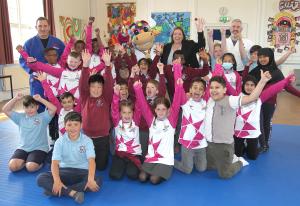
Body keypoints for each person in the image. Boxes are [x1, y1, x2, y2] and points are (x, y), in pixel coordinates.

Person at [204, 70, 271, 179]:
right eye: (211, 87)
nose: (214, 90)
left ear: (224, 89)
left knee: (224, 174)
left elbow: (251, 98)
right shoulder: (210, 101)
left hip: (224, 145)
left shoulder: (231, 100)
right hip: (210, 143)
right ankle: (228, 158)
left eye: (217, 87)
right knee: (209, 167)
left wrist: (262, 81)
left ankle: (239, 161)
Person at [36, 112, 102, 204]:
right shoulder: (60, 141)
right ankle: (72, 193)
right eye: (69, 125)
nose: (72, 128)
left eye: (76, 124)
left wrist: (90, 179)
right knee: (40, 178)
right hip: (64, 171)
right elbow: (54, 163)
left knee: (97, 181)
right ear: (65, 126)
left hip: (82, 172)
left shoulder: (87, 141)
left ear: (81, 125)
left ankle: (57, 190)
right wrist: (57, 180)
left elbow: (91, 161)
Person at [133, 75, 184, 185]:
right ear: (154, 110)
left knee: (153, 180)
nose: (161, 112)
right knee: (142, 177)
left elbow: (175, 104)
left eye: (163, 109)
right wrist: (138, 89)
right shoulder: (151, 121)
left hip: (165, 159)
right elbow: (142, 105)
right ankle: (151, 169)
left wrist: (179, 87)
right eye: (158, 109)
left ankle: (165, 169)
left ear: (167, 111)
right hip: (152, 157)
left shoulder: (171, 122)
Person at [234, 74, 295, 160]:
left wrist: (286, 81)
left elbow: (273, 89)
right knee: (237, 155)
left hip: (253, 133)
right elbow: (228, 87)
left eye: (252, 85)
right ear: (243, 85)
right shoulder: (237, 96)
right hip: (238, 132)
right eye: (247, 84)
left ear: (256, 87)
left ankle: (257, 147)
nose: (249, 87)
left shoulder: (259, 98)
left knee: (252, 156)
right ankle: (242, 146)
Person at [19, 17, 65, 112]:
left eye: (45, 26)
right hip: (37, 79)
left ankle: (55, 125)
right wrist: (31, 70)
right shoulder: (29, 43)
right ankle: (39, 125)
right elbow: (22, 60)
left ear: (49, 27)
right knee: (36, 102)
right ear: (36, 27)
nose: (43, 28)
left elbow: (64, 58)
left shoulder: (58, 42)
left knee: (55, 103)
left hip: (54, 79)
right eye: (40, 26)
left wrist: (61, 72)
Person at [2, 93, 56, 172]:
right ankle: (26, 162)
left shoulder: (42, 117)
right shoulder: (20, 118)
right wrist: (15, 99)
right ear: (23, 108)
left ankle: (34, 162)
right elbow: (5, 110)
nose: (29, 110)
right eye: (27, 107)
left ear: (37, 107)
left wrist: (40, 99)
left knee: (31, 167)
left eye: (32, 107)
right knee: (12, 167)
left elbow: (53, 109)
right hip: (23, 148)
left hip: (39, 148)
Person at [79, 49, 113, 171]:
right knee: (86, 166)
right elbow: (82, 83)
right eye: (93, 86)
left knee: (101, 167)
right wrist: (85, 65)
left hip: (102, 138)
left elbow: (109, 84)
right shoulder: (85, 97)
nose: (96, 89)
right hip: (86, 138)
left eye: (99, 87)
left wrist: (108, 65)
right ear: (89, 88)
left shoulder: (105, 98)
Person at [109, 85, 142, 180]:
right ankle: (121, 165)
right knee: (115, 176)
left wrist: (138, 90)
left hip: (133, 154)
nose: (127, 115)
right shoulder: (117, 122)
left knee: (132, 175)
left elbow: (139, 106)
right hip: (120, 154)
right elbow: (114, 109)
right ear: (120, 113)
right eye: (124, 112)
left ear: (133, 113)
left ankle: (131, 166)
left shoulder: (136, 121)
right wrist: (115, 95)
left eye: (129, 112)